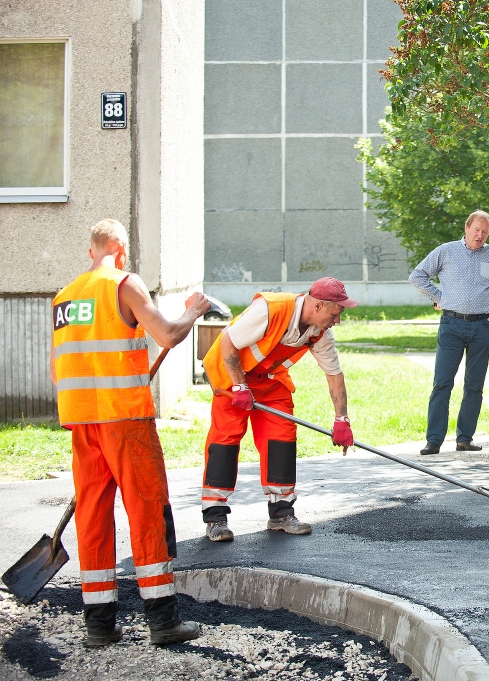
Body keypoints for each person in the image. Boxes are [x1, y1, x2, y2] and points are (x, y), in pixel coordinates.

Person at [50, 219, 208, 646]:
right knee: (147, 510)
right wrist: (194, 309)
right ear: (120, 249)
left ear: (91, 251)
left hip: (82, 423)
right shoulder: (124, 283)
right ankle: (162, 622)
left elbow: (58, 369)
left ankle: (99, 627)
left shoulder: (64, 298)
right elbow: (168, 334)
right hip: (126, 422)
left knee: (93, 518)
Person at [201, 277, 357, 541]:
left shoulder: (320, 332)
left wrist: (341, 418)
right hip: (232, 377)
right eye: (336, 313)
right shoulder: (270, 309)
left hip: (270, 382)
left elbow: (334, 374)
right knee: (225, 439)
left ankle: (281, 513)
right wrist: (239, 386)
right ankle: (215, 517)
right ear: (318, 306)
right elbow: (228, 341)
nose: (337, 320)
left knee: (282, 438)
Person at [409, 210, 489, 455]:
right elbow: (417, 276)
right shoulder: (446, 251)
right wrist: (441, 297)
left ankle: (465, 438)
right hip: (451, 327)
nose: (479, 235)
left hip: (481, 327)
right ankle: (434, 440)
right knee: (442, 383)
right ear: (467, 228)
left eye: (484, 232)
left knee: (474, 385)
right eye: (476, 230)